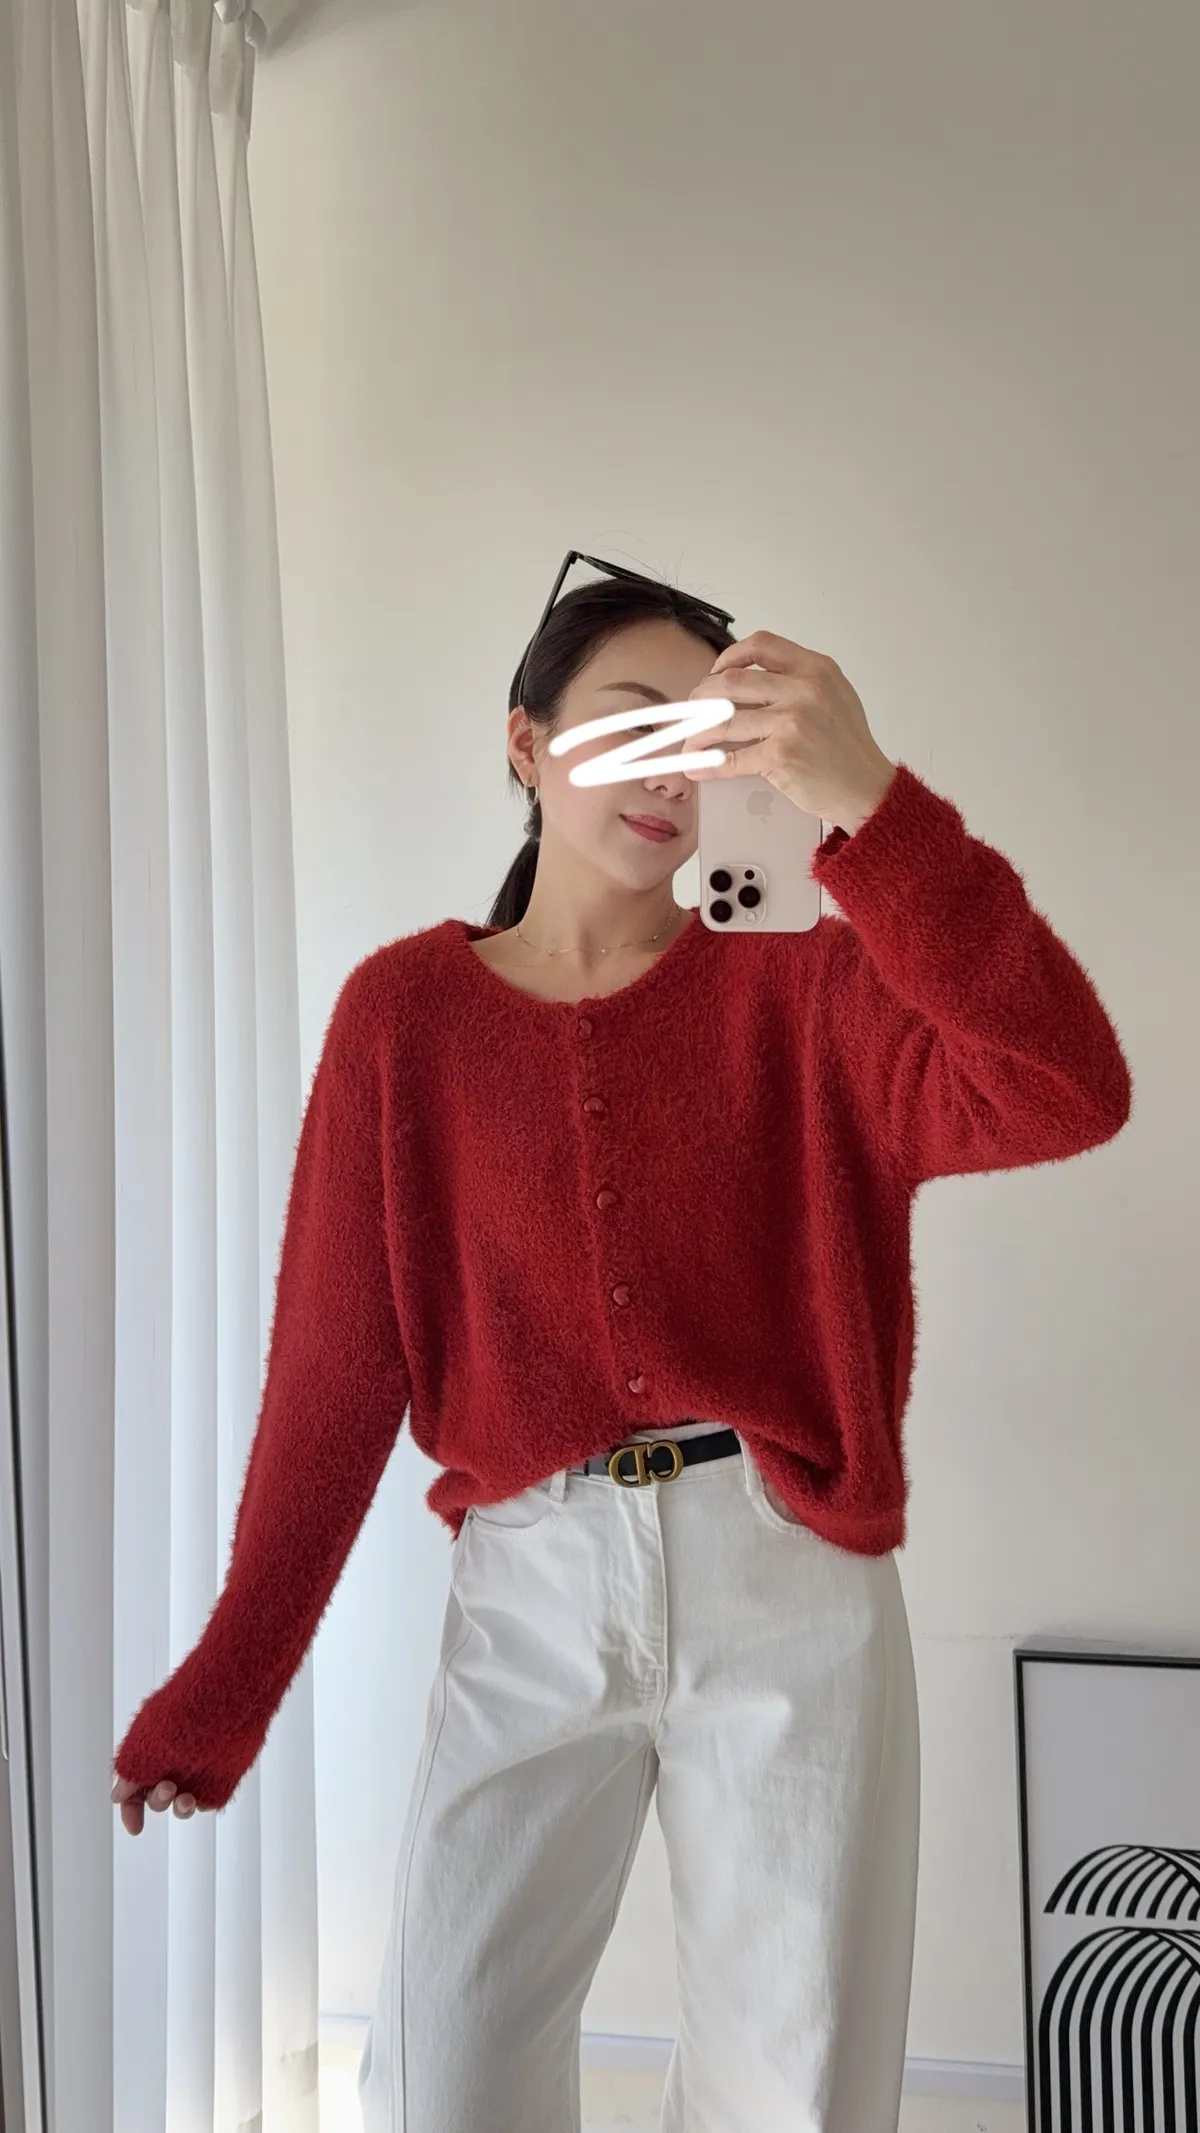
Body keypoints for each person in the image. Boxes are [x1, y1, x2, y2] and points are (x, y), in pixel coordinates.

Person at [112, 562, 1133, 2132]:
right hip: (530, 1583)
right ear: (527, 744)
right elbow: (332, 1373)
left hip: (787, 1577)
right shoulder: (403, 1018)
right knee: (444, 2079)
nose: (670, 775)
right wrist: (228, 1685)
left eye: (708, 745)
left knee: (790, 2091)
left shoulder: (809, 989)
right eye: (631, 724)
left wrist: (874, 808)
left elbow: (1066, 1087)